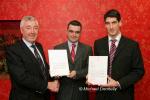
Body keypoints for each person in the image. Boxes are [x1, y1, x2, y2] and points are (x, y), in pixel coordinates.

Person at [93, 9, 145, 100]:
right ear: (105, 25)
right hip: (102, 95)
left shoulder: (132, 45)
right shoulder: (98, 44)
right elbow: (97, 67)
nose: (111, 26)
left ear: (120, 23)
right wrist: (92, 76)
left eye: (114, 22)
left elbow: (139, 71)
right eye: (108, 23)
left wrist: (118, 83)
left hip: (123, 95)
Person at [6, 16, 59, 100]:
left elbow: (43, 69)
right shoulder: (13, 50)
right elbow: (22, 77)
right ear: (21, 30)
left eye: (35, 28)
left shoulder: (39, 46)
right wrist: (47, 85)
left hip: (44, 96)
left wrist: (55, 74)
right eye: (28, 28)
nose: (32, 31)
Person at [54, 20, 92, 100]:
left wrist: (77, 73)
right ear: (67, 31)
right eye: (71, 31)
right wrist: (55, 75)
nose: (74, 34)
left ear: (80, 33)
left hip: (81, 93)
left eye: (77, 32)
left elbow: (90, 69)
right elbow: (54, 71)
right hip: (63, 92)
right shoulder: (58, 48)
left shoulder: (87, 49)